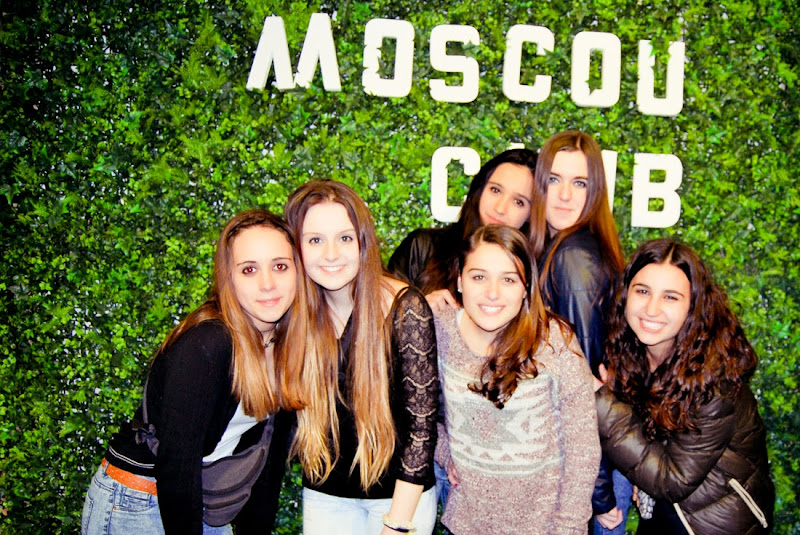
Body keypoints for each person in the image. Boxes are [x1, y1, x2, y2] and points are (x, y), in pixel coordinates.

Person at [81, 209, 303, 534]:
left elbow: (267, 464)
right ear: (228, 278)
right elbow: (177, 463)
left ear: (298, 271)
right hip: (139, 502)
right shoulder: (209, 343)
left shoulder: (286, 346)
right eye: (249, 269)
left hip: (201, 501)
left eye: (280, 266)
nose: (267, 283)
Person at [279, 180, 438, 535]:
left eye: (345, 238)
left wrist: (397, 524)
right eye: (315, 240)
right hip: (326, 496)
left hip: (398, 500)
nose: (331, 254)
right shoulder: (291, 314)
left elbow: (421, 430)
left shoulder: (405, 309)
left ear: (363, 242)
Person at [595, 238, 775, 535]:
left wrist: (603, 403)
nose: (651, 309)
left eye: (670, 297)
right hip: (668, 515)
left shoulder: (715, 379)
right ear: (625, 295)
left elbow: (671, 481)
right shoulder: (635, 353)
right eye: (642, 291)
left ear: (693, 307)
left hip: (714, 525)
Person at [434, 224, 600, 535]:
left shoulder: (554, 341)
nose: (492, 293)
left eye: (508, 279)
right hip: (467, 524)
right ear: (459, 280)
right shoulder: (439, 331)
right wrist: (446, 452)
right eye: (478, 277)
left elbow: (583, 449)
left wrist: (569, 528)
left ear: (526, 287)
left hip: (544, 528)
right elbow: (415, 415)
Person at [528, 130, 628, 533]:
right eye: (554, 179)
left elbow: (583, 388)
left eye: (580, 183)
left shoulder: (573, 257)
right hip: (587, 465)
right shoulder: (563, 250)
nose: (565, 195)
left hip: (587, 473)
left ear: (596, 191)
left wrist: (599, 492)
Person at [388, 148, 537, 314]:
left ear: (532, 214)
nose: (500, 208)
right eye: (495, 190)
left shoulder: (536, 270)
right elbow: (381, 316)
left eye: (518, 202)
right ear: (479, 189)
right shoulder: (422, 247)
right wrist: (417, 311)